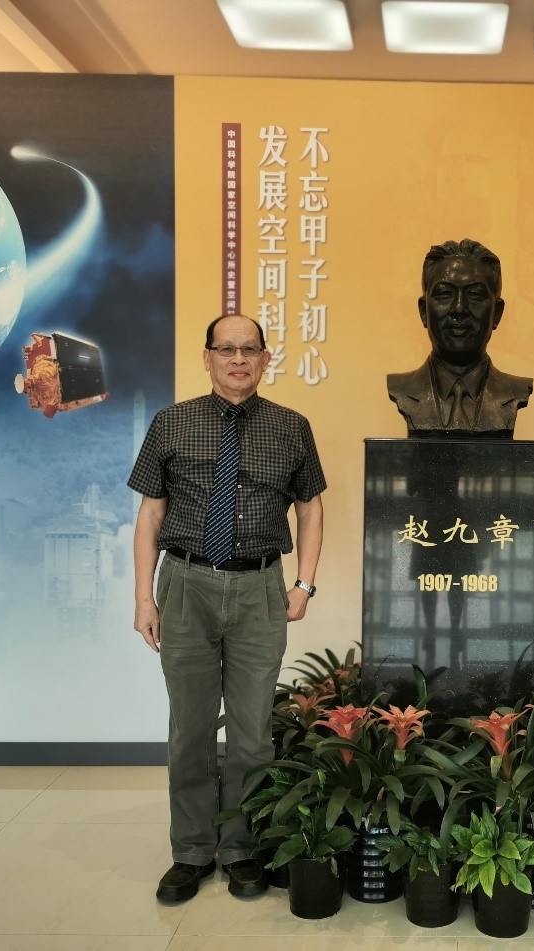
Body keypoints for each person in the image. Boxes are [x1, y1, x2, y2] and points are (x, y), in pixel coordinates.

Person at [129, 313, 325, 903]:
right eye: (226, 349)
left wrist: (304, 583)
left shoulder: (291, 427)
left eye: (249, 350)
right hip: (185, 584)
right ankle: (191, 850)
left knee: (251, 734)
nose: (238, 359)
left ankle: (241, 849)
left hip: (260, 587)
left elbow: (310, 508)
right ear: (208, 357)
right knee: (189, 728)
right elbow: (151, 515)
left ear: (265, 359)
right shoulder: (171, 423)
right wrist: (143, 596)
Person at [387, 238, 533, 438]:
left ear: (497, 313)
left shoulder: (515, 391)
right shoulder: (401, 388)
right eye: (444, 294)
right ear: (423, 311)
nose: (459, 308)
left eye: (475, 295)